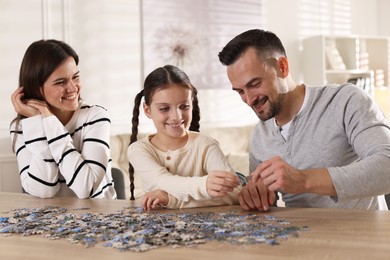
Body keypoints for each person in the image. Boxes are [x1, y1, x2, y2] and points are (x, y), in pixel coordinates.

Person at [218, 29, 390, 211]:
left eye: (254, 84)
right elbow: (267, 203)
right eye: (240, 91)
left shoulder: (345, 100)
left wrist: (304, 180)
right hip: (300, 237)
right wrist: (257, 196)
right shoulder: (259, 137)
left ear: (282, 67)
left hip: (362, 236)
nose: (249, 100)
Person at [10, 39, 116, 199]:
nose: (73, 88)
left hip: (98, 219)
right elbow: (44, 190)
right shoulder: (22, 127)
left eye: (76, 77)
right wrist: (37, 122)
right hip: (51, 221)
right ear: (37, 89)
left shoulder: (95, 116)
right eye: (61, 82)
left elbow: (86, 188)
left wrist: (50, 122)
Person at [127, 65, 241, 210]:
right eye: (164, 108)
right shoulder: (138, 150)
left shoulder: (206, 145)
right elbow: (161, 181)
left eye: (184, 106)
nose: (177, 116)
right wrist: (204, 186)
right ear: (147, 110)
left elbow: (235, 194)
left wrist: (171, 200)